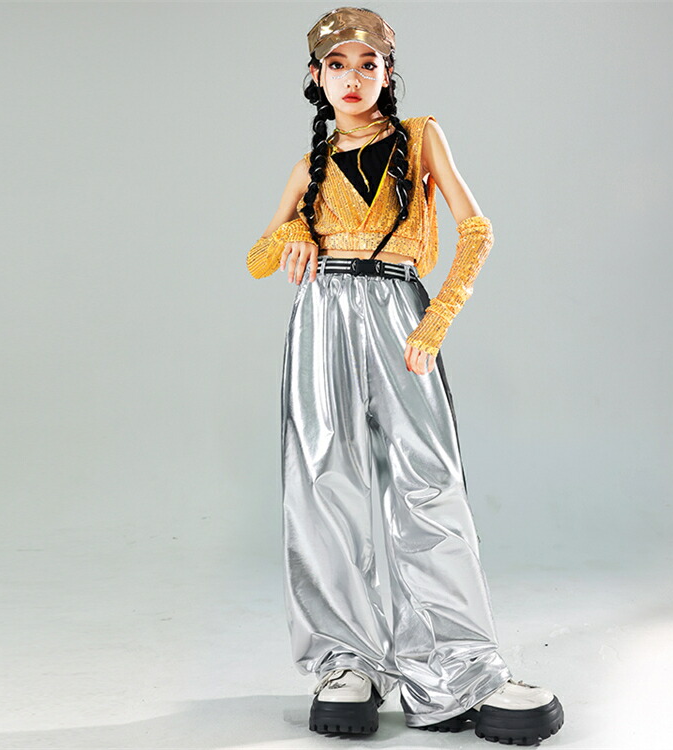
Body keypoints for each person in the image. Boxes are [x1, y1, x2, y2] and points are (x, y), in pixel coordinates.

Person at [245, 6, 564, 745]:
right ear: (316, 77)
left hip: (398, 308)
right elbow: (258, 260)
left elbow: (475, 228)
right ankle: (345, 665)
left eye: (368, 64)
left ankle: (459, 671)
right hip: (322, 315)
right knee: (323, 480)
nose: (353, 78)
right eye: (337, 65)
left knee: (427, 481)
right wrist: (292, 231)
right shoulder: (308, 167)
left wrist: (438, 317)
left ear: (388, 73)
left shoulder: (420, 138)